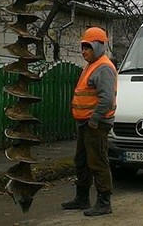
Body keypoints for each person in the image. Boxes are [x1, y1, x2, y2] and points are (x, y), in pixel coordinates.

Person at [61, 26, 117, 217]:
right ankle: (82, 197)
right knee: (82, 161)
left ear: (99, 46)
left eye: (88, 47)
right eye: (83, 47)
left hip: (96, 124)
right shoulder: (92, 65)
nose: (84, 51)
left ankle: (104, 202)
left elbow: (106, 99)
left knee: (98, 161)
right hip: (86, 124)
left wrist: (94, 120)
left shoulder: (104, 68)